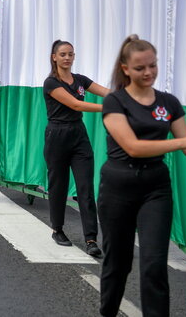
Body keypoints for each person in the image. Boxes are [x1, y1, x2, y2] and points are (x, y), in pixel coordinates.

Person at [98, 35, 186, 317]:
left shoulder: (169, 102)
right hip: (117, 187)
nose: (148, 73)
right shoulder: (114, 102)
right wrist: (183, 142)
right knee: (118, 263)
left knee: (154, 264)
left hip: (155, 188)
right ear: (125, 69)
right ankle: (107, 311)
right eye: (140, 68)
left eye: (153, 66)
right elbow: (133, 147)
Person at [43, 40, 109, 257]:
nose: (67, 58)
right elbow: (76, 105)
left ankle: (91, 239)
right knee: (58, 186)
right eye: (62, 54)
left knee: (85, 188)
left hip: (78, 135)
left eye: (70, 54)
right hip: (57, 136)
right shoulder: (51, 83)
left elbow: (106, 92)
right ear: (54, 57)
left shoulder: (80, 80)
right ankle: (57, 229)